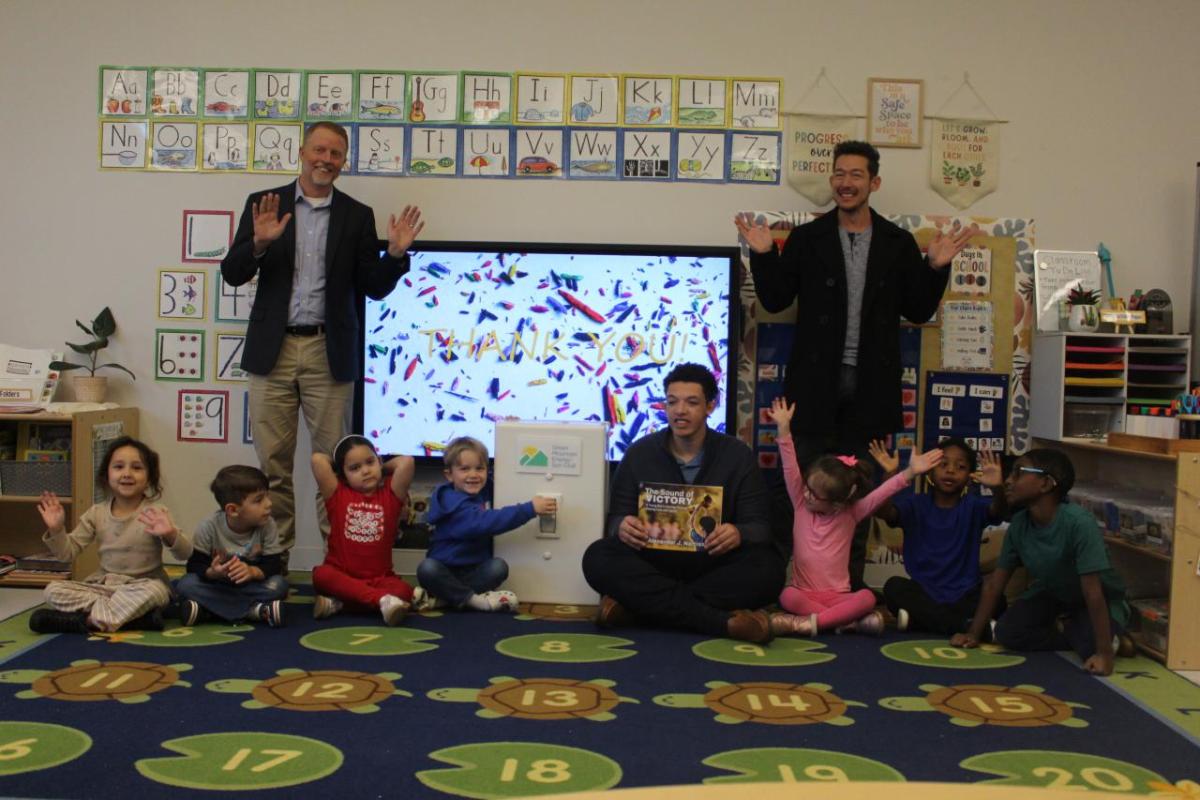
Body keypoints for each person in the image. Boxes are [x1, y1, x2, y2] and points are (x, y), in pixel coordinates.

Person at [734, 140, 978, 590]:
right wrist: (765, 255)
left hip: (870, 395)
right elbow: (775, 298)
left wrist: (936, 267)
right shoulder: (808, 239)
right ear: (832, 180)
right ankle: (784, 591)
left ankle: (847, 594)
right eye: (839, 174)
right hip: (814, 391)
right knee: (800, 497)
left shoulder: (896, 243)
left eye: (856, 175)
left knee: (858, 502)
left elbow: (919, 309)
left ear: (874, 182)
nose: (846, 183)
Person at [220, 120, 426, 572]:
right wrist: (257, 242)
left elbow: (372, 288)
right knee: (273, 467)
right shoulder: (264, 205)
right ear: (301, 152)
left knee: (338, 469)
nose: (325, 160)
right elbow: (232, 273)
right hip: (272, 351)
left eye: (335, 154)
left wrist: (393, 256)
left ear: (343, 161)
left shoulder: (357, 215)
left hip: (327, 351)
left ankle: (343, 565)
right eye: (319, 150)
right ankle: (273, 563)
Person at [581, 363, 785, 644]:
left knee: (769, 570)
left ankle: (640, 609)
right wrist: (623, 527)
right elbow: (616, 518)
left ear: (710, 407)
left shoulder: (737, 456)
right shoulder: (639, 453)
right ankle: (721, 622)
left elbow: (761, 527)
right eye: (672, 402)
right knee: (598, 557)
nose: (680, 410)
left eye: (691, 402)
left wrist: (738, 533)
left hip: (714, 564)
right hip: (655, 562)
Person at [767, 397, 943, 637]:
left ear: (837, 502)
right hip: (803, 593)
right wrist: (784, 428)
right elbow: (790, 466)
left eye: (814, 494)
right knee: (786, 595)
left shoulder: (850, 513)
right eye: (806, 487)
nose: (805, 493)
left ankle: (809, 624)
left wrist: (910, 472)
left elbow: (883, 493)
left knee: (867, 597)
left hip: (839, 596)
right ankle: (846, 623)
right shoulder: (799, 502)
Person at [951, 449, 1134, 676]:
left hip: (1096, 599)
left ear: (1046, 484)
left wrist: (1104, 655)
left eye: (1018, 473)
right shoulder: (1020, 524)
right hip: (1053, 595)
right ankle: (1074, 629)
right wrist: (973, 634)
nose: (1008, 480)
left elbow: (1093, 593)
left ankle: (1107, 638)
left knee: (1091, 649)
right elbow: (994, 585)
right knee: (1008, 633)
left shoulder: (1079, 523)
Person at [29, 437, 192, 635]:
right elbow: (67, 554)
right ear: (107, 475)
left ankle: (82, 621)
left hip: (143, 586)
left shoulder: (155, 512)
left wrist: (170, 533)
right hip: (104, 587)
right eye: (118, 466)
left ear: (149, 478)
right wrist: (57, 529)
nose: (127, 474)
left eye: (137, 467)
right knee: (52, 590)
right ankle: (136, 619)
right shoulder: (96, 513)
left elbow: (185, 554)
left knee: (156, 593)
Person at [868, 436, 1008, 636]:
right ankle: (965, 625)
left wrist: (997, 489)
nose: (950, 471)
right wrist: (890, 474)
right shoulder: (915, 504)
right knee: (893, 587)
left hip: (965, 593)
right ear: (930, 469)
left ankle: (922, 622)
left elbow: (999, 511)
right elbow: (883, 511)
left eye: (960, 467)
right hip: (924, 591)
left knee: (998, 600)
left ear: (969, 476)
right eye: (943, 464)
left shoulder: (973, 506)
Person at [416, 436, 556, 612]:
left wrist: (512, 433)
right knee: (427, 569)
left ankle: (449, 599)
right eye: (464, 469)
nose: (473, 475)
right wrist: (529, 509)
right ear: (449, 475)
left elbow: (507, 474)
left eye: (479, 468)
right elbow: (487, 522)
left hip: (475, 571)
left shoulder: (485, 490)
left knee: (498, 567)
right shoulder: (452, 502)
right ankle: (474, 601)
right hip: (445, 571)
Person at [310, 435, 416, 626]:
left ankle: (340, 604)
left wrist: (381, 468)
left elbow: (407, 462)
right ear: (342, 475)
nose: (366, 471)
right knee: (321, 575)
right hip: (342, 575)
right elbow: (317, 460)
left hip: (379, 579)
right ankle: (381, 601)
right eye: (355, 468)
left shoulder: (390, 496)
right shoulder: (338, 494)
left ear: (379, 461)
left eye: (370, 462)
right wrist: (339, 466)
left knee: (404, 591)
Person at [174, 465, 289, 628]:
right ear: (233, 510)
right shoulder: (208, 527)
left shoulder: (267, 525)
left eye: (267, 496)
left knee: (279, 585)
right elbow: (194, 565)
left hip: (250, 584)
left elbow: (274, 564)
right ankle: (255, 611)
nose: (269, 504)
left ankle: (208, 611)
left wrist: (252, 572)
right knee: (186, 584)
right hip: (218, 585)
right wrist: (212, 573)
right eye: (259, 500)